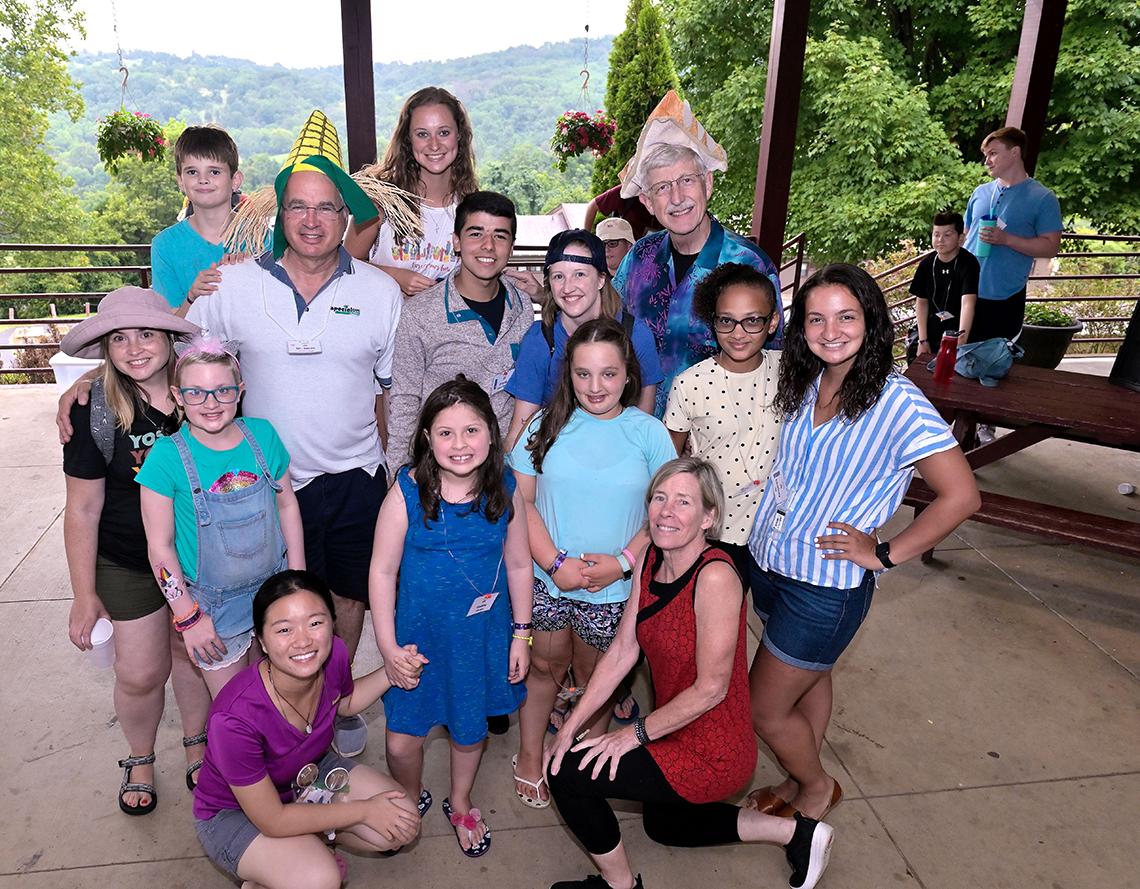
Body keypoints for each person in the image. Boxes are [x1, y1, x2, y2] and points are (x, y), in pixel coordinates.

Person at [744, 264, 980, 823]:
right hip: (772, 562)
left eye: (846, 316)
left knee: (763, 709)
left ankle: (817, 785)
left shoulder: (897, 401)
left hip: (824, 588)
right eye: (816, 318)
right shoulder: (807, 380)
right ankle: (798, 778)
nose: (830, 331)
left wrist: (885, 553)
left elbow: (961, 496)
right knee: (812, 675)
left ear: (870, 322)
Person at [544, 458, 834, 889]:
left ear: (709, 517)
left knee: (566, 774)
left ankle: (619, 886)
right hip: (672, 726)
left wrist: (632, 734)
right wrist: (573, 723)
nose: (667, 511)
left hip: (713, 746)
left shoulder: (715, 576)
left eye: (684, 502)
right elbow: (624, 650)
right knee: (663, 826)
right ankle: (797, 832)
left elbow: (712, 688)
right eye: (659, 498)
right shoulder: (650, 560)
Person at [508, 318, 676, 809]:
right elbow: (522, 503)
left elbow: (665, 515)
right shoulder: (544, 427)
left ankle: (579, 756)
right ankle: (530, 752)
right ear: (569, 375)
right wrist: (554, 562)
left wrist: (623, 562)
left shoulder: (649, 435)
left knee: (595, 679)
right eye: (583, 374)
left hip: (615, 590)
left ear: (628, 375)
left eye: (608, 374)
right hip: (548, 581)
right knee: (544, 667)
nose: (595, 386)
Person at [60, 287, 212, 816]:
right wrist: (84, 594)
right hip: (126, 561)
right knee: (141, 671)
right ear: (105, 348)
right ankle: (140, 756)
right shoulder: (95, 411)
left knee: (191, 659)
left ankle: (198, 744)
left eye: (146, 333)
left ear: (171, 338)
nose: (134, 347)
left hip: (197, 563)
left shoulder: (204, 392)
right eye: (118, 338)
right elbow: (81, 510)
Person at [370, 377, 532, 857]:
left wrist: (521, 634)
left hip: (479, 637)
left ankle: (459, 801)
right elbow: (381, 571)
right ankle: (406, 793)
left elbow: (520, 564)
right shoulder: (407, 492)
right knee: (401, 742)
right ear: (426, 437)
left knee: (468, 730)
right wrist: (386, 646)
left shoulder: (504, 489)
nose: (459, 444)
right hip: (415, 643)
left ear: (491, 435)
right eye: (445, 432)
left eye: (471, 431)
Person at [192, 570, 423, 889]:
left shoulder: (334, 655)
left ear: (332, 623)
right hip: (234, 814)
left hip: (309, 774)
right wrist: (364, 811)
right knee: (320, 879)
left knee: (401, 821)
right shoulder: (233, 719)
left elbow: (344, 702)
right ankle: (278, 866)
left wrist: (392, 671)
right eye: (284, 629)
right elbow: (272, 819)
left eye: (315, 623)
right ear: (262, 640)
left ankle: (304, 842)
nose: (303, 640)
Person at [137, 337, 305, 696]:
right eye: (196, 392)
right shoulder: (165, 459)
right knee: (237, 709)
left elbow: (287, 505)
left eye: (223, 391)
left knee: (283, 697)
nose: (211, 403)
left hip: (274, 590)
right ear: (178, 396)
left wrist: (298, 580)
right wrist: (187, 615)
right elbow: (160, 548)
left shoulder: (263, 435)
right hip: (211, 607)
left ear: (240, 391)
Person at [612, 91, 783, 417]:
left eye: (686, 180)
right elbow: (608, 322)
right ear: (648, 202)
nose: (677, 197)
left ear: (707, 184)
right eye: (662, 187)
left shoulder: (749, 265)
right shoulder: (638, 259)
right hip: (641, 432)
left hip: (722, 438)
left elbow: (775, 361)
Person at [386, 190, 532, 469]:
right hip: (439, 468)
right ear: (456, 241)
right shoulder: (420, 314)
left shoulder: (522, 307)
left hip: (503, 469)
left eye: (500, 236)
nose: (488, 246)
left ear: (512, 246)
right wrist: (398, 477)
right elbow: (404, 402)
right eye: (476, 233)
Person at [664, 263, 782, 586]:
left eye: (752, 320)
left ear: (772, 322)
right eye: (726, 321)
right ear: (713, 321)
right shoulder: (690, 384)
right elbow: (669, 462)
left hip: (774, 527)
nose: (738, 333)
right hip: (716, 529)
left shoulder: (789, 371)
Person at [504, 228, 662, 448]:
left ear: (600, 279)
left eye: (580, 274)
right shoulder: (540, 340)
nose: (568, 287)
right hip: (556, 457)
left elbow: (646, 423)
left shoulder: (636, 335)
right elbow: (521, 428)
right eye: (559, 276)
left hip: (622, 453)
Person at [346, 86, 478, 295]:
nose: (434, 145)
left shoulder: (473, 208)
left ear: (459, 136)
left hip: (446, 326)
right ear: (408, 140)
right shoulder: (379, 201)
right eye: (422, 134)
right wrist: (394, 276)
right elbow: (343, 265)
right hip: (384, 325)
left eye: (443, 133)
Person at [963, 126, 1062, 343]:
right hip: (962, 292)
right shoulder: (980, 192)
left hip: (1003, 298)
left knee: (990, 366)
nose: (987, 161)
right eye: (985, 155)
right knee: (949, 357)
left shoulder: (1043, 198)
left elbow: (1051, 247)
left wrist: (1006, 239)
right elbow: (966, 236)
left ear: (1015, 152)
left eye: (993, 153)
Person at [151, 125, 245, 310]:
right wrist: (192, 298)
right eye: (192, 172)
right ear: (181, 181)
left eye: (215, 172)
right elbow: (169, 326)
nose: (203, 179)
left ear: (235, 180)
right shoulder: (164, 245)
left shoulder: (262, 239)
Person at [908, 211, 980, 362]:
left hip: (958, 328)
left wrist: (961, 340)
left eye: (947, 235)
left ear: (960, 238)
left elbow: (968, 303)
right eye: (936, 234)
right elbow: (921, 302)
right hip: (932, 329)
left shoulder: (969, 263)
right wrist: (923, 341)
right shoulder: (927, 264)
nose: (940, 240)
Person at [584, 182, 657, 241]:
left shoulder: (666, 194)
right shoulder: (628, 190)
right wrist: (586, 238)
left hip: (661, 253)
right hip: (626, 253)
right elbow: (593, 205)